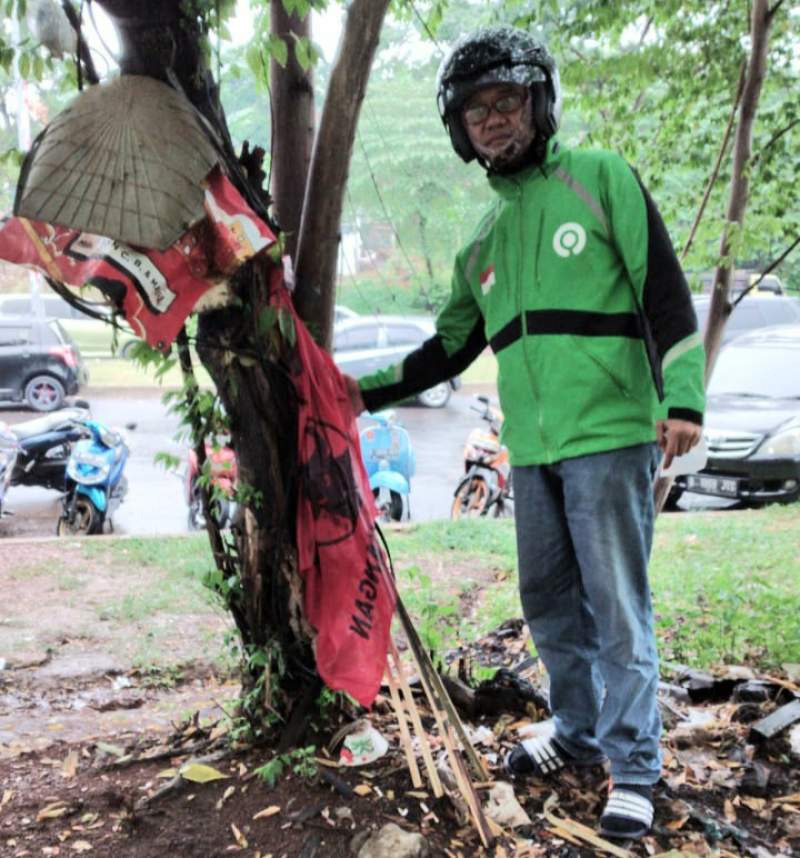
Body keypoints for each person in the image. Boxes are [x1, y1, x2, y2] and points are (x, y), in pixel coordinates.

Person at [344, 25, 704, 841]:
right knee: (546, 599)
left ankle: (635, 768)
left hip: (612, 436)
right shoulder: (483, 243)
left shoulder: (600, 179)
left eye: (507, 101)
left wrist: (682, 400)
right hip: (533, 450)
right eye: (476, 112)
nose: (494, 120)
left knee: (617, 607)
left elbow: (668, 295)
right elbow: (445, 351)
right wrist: (353, 392)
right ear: (459, 130)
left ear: (540, 102)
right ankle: (575, 730)